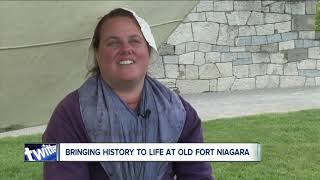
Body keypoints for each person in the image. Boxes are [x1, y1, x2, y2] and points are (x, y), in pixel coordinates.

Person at [43, 7, 213, 180]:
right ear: (97, 53)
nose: (126, 49)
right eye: (113, 42)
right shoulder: (68, 115)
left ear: (148, 50)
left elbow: (197, 174)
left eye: (135, 41)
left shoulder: (180, 113)